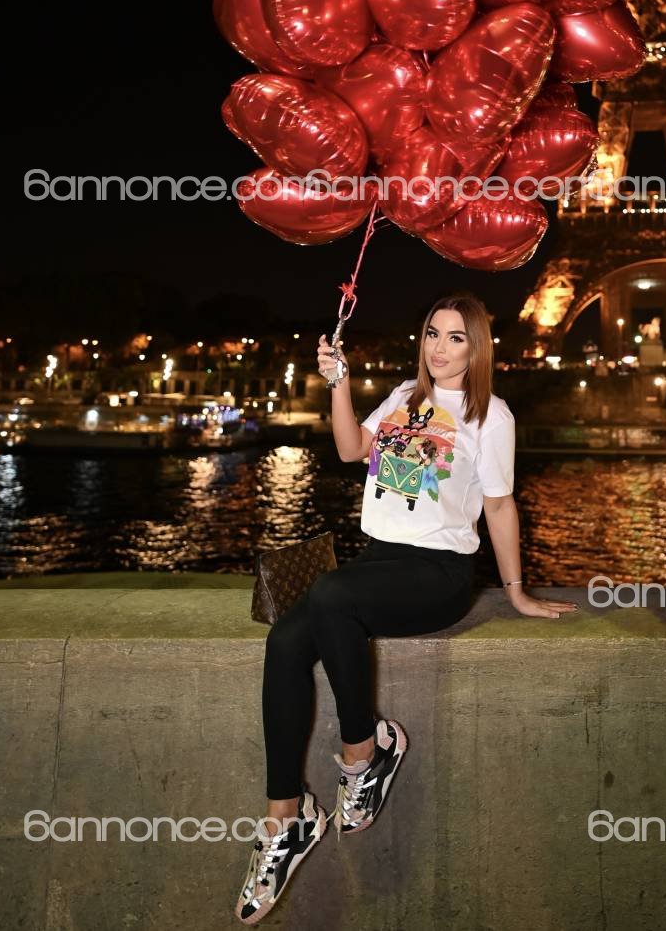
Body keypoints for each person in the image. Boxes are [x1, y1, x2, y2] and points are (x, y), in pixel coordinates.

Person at [234, 290, 576, 922]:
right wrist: (338, 382)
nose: (439, 348)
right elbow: (349, 450)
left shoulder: (490, 416)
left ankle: (366, 753)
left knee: (330, 594)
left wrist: (516, 591)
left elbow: (500, 505)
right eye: (432, 334)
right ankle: (287, 816)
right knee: (283, 642)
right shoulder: (402, 397)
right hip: (379, 562)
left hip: (438, 574)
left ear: (477, 349)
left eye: (456, 337)